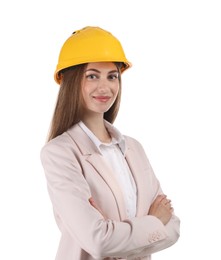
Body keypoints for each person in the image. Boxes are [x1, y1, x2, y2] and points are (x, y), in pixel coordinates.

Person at [40, 26, 180, 260]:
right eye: (92, 75)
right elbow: (99, 241)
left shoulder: (134, 148)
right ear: (71, 81)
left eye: (112, 76)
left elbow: (174, 227)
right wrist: (155, 221)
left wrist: (117, 235)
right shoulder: (59, 153)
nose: (105, 87)